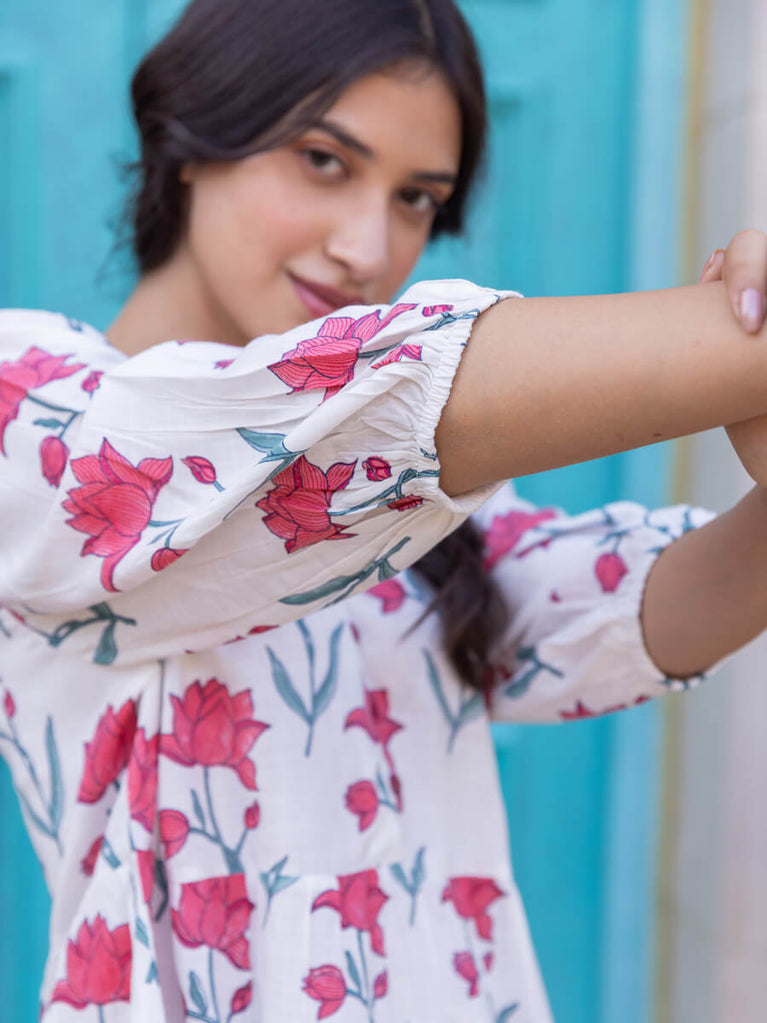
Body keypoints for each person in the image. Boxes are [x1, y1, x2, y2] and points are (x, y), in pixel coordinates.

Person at [2, 0, 767, 1020]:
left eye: (416, 199)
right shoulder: (34, 410)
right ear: (193, 136)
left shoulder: (418, 517)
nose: (367, 246)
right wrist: (733, 342)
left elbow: (614, 610)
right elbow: (332, 417)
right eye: (324, 160)